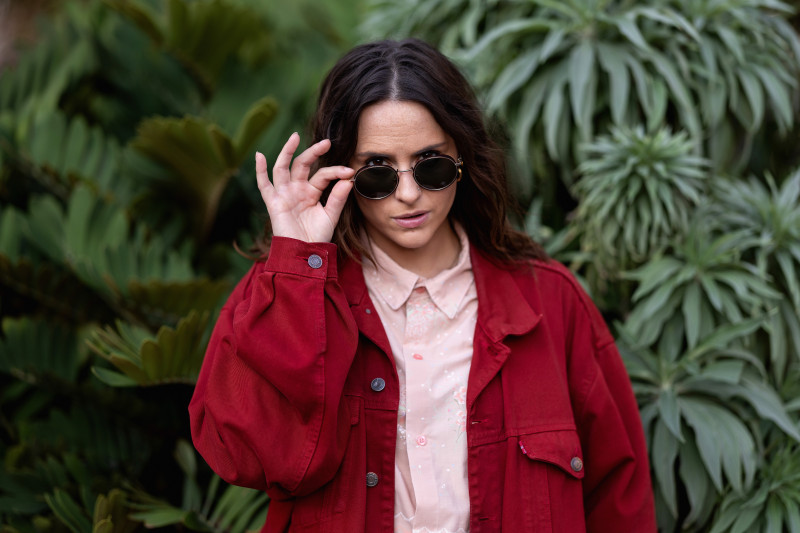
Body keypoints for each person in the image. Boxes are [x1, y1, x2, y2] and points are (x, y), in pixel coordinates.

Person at [189, 38, 656, 532]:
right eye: (377, 172)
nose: (408, 195)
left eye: (431, 165)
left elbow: (619, 496)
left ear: (463, 158)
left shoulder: (552, 304)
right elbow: (244, 455)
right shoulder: (286, 289)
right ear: (340, 172)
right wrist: (299, 267)